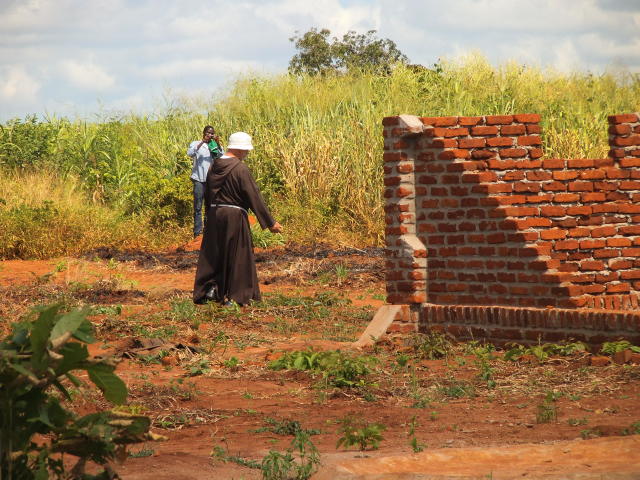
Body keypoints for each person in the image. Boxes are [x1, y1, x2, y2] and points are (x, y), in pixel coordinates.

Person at [193, 131, 282, 306]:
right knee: (238, 255)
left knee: (214, 254)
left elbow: (209, 192)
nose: (247, 153)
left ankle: (210, 290)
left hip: (214, 213)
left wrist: (210, 216)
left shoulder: (214, 165)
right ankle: (236, 297)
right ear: (240, 150)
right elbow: (253, 196)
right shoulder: (240, 168)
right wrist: (270, 222)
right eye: (246, 150)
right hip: (234, 215)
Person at [187, 126, 223, 238]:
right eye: (208, 133)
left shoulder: (215, 146)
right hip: (199, 179)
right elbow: (190, 153)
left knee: (210, 206)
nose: (210, 135)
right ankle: (197, 233)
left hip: (211, 181)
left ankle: (208, 232)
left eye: (212, 133)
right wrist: (203, 142)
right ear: (204, 133)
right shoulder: (196, 143)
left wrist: (217, 144)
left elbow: (222, 157)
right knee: (198, 207)